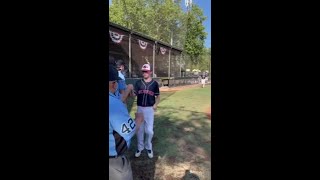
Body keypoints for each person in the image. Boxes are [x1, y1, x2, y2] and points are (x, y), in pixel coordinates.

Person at [109, 65, 144, 180]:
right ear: (113, 84)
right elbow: (130, 131)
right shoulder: (113, 103)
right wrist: (138, 120)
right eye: (115, 82)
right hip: (113, 163)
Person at [133, 64, 160, 159]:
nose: (144, 73)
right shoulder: (138, 83)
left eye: (146, 71)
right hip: (140, 108)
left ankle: (148, 146)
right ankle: (140, 147)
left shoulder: (155, 84)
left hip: (149, 109)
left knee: (149, 131)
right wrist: (129, 91)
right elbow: (134, 94)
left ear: (150, 72)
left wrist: (156, 104)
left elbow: (158, 96)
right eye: (143, 71)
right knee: (139, 130)